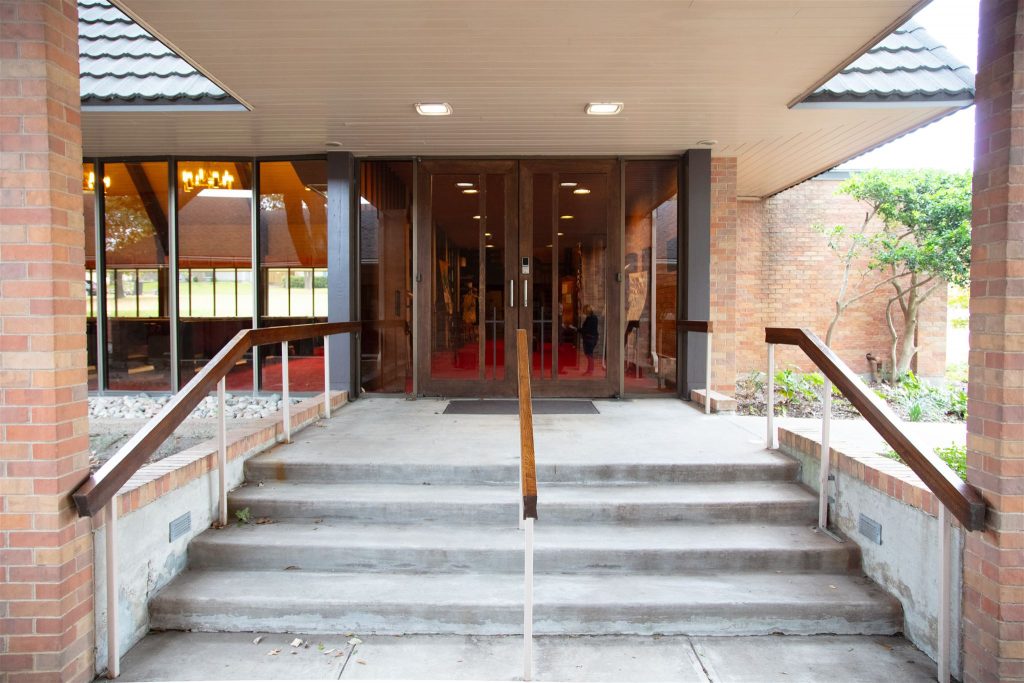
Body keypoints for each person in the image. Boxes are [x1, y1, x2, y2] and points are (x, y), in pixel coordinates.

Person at [581, 305, 599, 375]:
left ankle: (590, 370)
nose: (584, 313)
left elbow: (587, 329)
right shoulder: (592, 318)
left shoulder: (591, 318)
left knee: (589, 355)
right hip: (592, 337)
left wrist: (578, 329)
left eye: (585, 311)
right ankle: (589, 370)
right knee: (589, 355)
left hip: (590, 338)